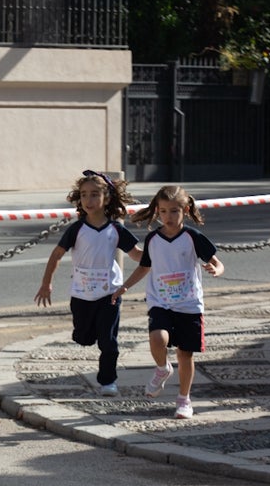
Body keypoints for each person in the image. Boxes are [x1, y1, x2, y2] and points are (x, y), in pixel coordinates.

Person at [115, 185, 224, 419]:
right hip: (160, 302)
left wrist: (216, 269)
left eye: (174, 211)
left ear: (185, 210)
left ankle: (184, 400)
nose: (168, 217)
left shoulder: (192, 237)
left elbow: (218, 262)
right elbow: (144, 266)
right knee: (158, 338)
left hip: (189, 304)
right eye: (163, 211)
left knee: (185, 355)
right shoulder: (153, 239)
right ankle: (162, 368)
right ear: (157, 212)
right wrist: (125, 286)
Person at [34, 170, 142, 395]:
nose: (88, 200)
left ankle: (108, 381)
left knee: (108, 341)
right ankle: (86, 334)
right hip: (81, 294)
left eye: (94, 194)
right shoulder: (77, 229)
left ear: (106, 198)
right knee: (83, 337)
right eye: (84, 195)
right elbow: (56, 254)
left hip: (109, 293)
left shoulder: (115, 229)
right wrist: (46, 284)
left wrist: (160, 252)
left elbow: (136, 255)